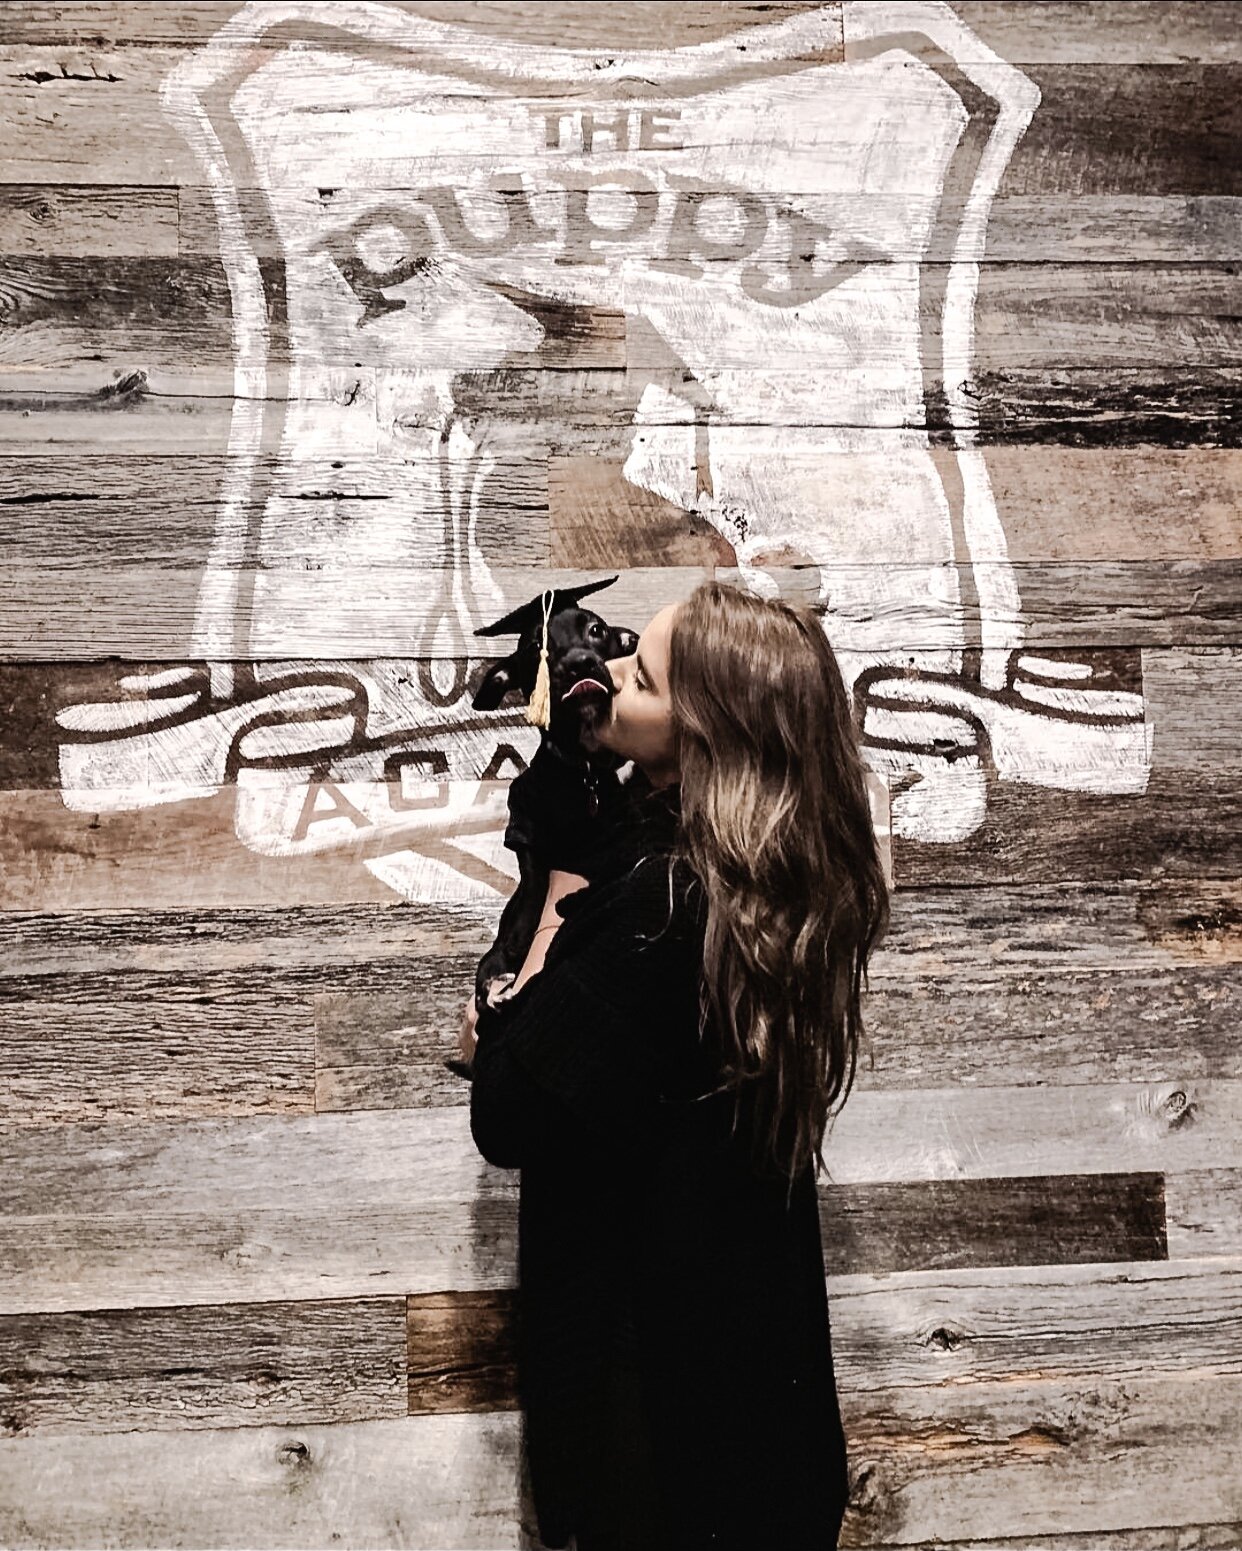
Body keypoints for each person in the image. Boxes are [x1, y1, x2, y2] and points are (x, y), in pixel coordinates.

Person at [459, 579, 890, 1551]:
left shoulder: (662, 907)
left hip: (665, 1431)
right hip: (753, 1406)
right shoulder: (765, 889)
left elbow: (509, 1110)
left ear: (705, 739)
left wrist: (554, 902)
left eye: (643, 677)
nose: (611, 676)